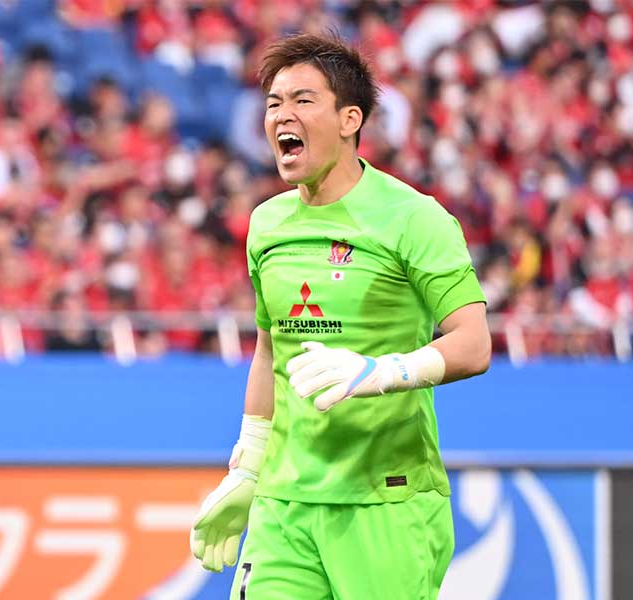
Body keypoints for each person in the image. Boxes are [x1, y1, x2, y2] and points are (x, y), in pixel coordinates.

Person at [189, 33, 490, 600]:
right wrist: (248, 466)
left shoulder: (414, 218)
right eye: (274, 103)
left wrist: (381, 373)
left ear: (350, 119)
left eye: (302, 100)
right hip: (285, 504)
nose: (282, 115)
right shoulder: (267, 224)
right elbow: (269, 352)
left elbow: (473, 345)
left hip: (386, 500)